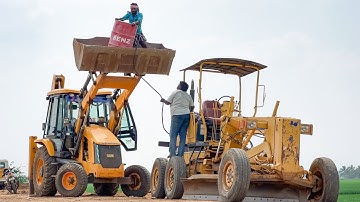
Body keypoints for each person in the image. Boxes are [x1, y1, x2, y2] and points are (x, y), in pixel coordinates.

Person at [161, 81, 195, 157]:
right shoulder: (188, 96)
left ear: (180, 86)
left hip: (177, 115)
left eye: (179, 84)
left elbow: (168, 102)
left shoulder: (176, 92)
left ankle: (172, 153)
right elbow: (192, 107)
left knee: (173, 135)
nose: (177, 85)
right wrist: (188, 111)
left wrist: (163, 100)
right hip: (186, 116)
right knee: (183, 136)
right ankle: (180, 154)